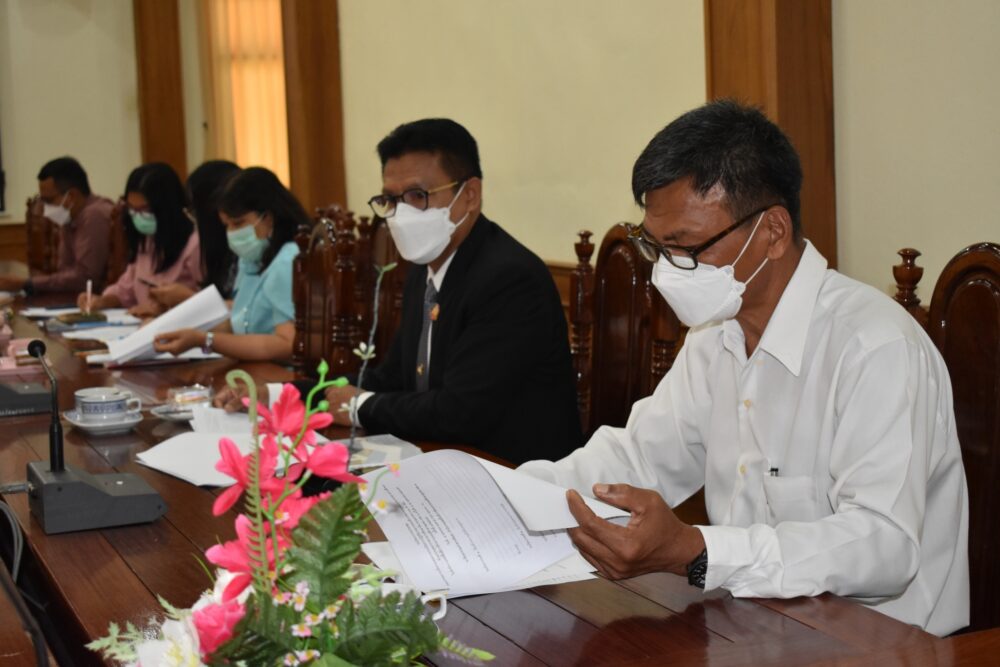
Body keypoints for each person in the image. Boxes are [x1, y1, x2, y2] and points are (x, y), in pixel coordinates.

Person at [518, 100, 969, 636]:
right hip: (752, 627)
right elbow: (638, 457)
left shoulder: (875, 347)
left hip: (880, 643)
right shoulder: (716, 333)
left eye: (686, 247)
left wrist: (698, 551)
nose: (667, 272)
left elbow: (885, 545)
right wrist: (511, 497)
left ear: (772, 232)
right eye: (656, 247)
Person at [214, 119, 582, 464]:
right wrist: (279, 394)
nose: (401, 214)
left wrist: (359, 407)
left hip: (512, 474)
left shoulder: (509, 279)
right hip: (441, 456)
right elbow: (389, 380)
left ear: (470, 195)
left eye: (418, 195)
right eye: (391, 199)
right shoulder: (425, 268)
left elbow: (459, 413)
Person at [153, 167, 302, 361]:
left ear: (268, 217)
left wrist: (205, 340)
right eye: (227, 225)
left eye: (238, 223)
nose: (231, 233)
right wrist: (170, 328)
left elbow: (287, 343)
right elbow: (238, 322)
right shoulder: (252, 258)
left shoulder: (287, 260)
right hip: (251, 366)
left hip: (278, 372)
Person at [78, 163, 202, 315]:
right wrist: (101, 301)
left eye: (144, 210)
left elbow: (208, 303)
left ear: (167, 207)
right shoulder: (148, 239)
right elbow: (126, 289)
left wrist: (161, 311)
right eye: (132, 209)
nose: (138, 217)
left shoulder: (195, 244)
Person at [0, 157, 112, 293]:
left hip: (99, 299)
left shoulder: (94, 215)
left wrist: (28, 284)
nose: (45, 209)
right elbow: (64, 271)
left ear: (71, 196)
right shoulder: (69, 216)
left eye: (48, 200)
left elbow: (84, 278)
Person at [147, 160, 242, 311]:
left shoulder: (248, 250)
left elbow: (246, 313)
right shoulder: (223, 253)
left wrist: (188, 299)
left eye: (195, 212)